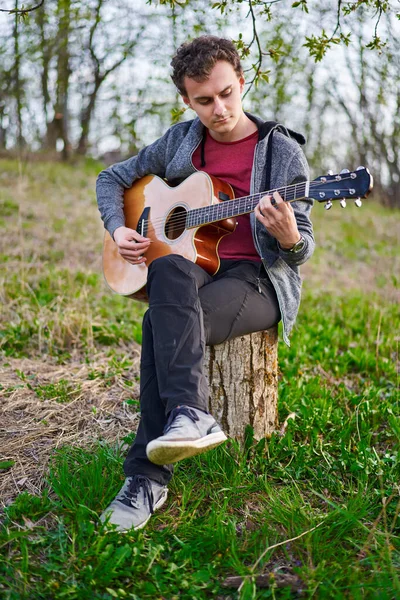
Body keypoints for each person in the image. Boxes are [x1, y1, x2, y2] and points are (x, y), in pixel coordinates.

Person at [96, 35, 314, 532]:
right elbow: (110, 179)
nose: (219, 109)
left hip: (257, 281)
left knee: (160, 322)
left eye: (226, 94)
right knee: (167, 268)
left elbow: (303, 247)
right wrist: (119, 228)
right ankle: (191, 416)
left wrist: (289, 237)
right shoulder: (180, 140)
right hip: (196, 266)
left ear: (241, 82)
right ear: (187, 100)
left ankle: (146, 478)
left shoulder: (281, 153)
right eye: (204, 100)